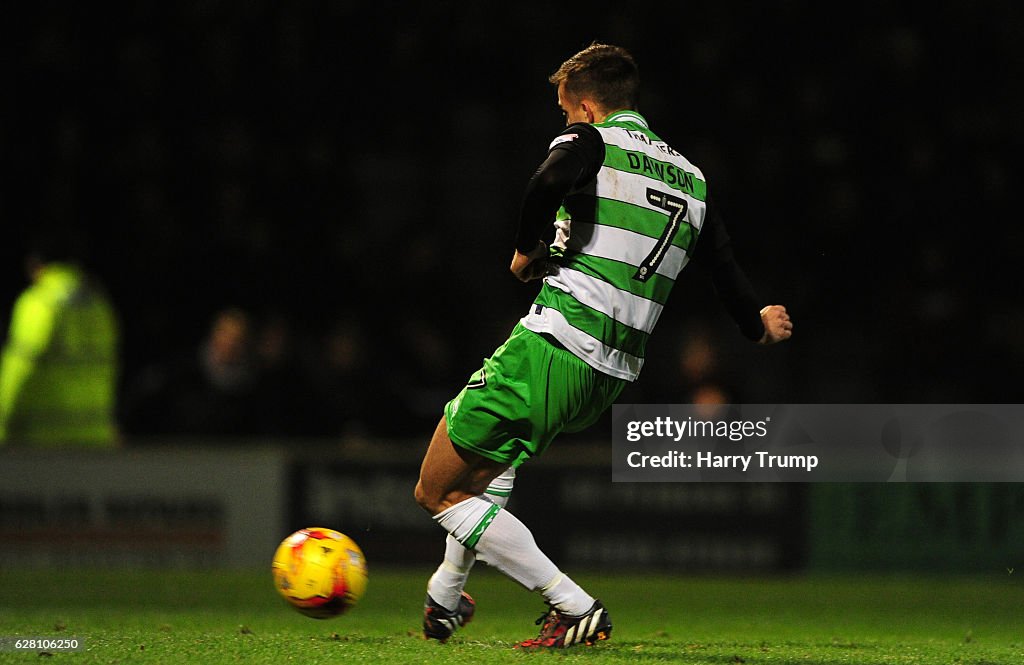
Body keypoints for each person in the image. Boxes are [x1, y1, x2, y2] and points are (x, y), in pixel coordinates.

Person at [413, 43, 793, 650]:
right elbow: (722, 267)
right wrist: (758, 325)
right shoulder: (692, 177)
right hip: (611, 372)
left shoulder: (591, 142)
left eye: (566, 110)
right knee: (493, 464)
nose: (564, 122)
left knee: (436, 488)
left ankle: (573, 606)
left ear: (586, 106)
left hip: (558, 341)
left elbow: (549, 180)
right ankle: (446, 596)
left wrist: (524, 249)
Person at [0, 230, 120, 447]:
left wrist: (2, 426)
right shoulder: (99, 304)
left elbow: (18, 370)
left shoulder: (39, 303)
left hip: (43, 443)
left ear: (35, 264)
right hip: (95, 440)